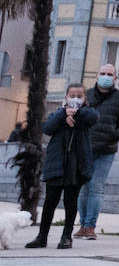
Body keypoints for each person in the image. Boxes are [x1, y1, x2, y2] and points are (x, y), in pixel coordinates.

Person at [26, 84, 97, 249]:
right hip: (56, 165)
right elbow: (47, 128)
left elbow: (93, 117)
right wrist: (63, 114)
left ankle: (66, 237)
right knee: (50, 201)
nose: (75, 99)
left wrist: (77, 112)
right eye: (72, 95)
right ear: (66, 96)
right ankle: (42, 237)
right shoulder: (58, 113)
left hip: (76, 166)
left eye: (79, 96)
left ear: (85, 98)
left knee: (70, 202)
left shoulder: (87, 113)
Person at [73, 62, 119, 239]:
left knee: (96, 187)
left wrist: (115, 135)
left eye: (109, 74)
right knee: (83, 188)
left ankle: (90, 226)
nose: (105, 77)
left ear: (115, 78)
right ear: (97, 75)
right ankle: (83, 225)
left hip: (106, 150)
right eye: (103, 73)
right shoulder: (87, 95)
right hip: (85, 148)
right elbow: (76, 118)